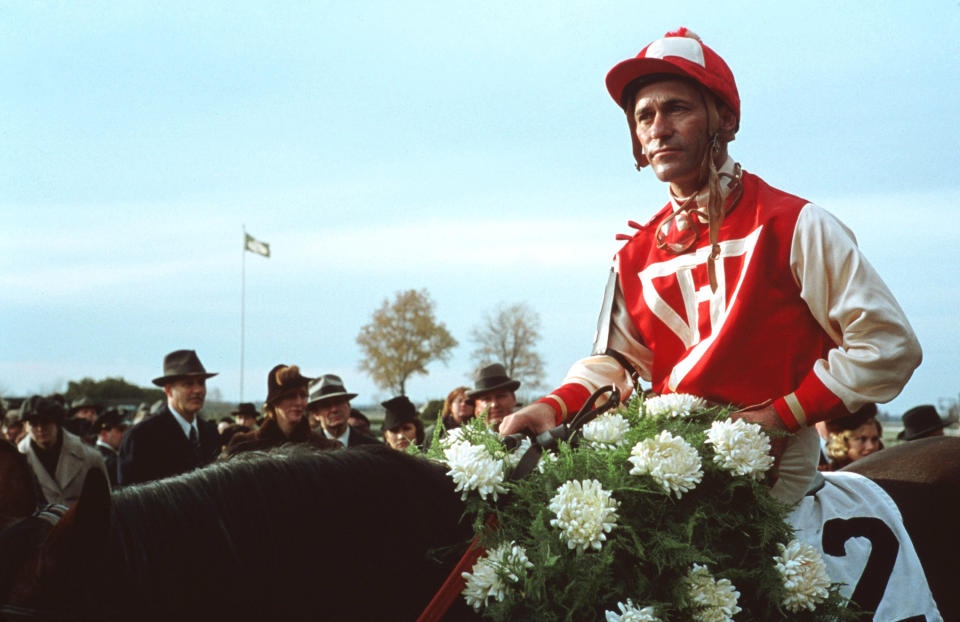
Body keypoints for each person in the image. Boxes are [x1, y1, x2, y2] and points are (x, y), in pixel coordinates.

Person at [500, 28, 922, 505]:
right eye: (645, 115)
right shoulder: (632, 254)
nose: (658, 128)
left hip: (779, 481)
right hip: (665, 469)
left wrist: (781, 415)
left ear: (724, 120)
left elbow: (888, 345)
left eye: (677, 108)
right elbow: (616, 365)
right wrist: (549, 406)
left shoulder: (797, 225)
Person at [117, 349, 221, 486]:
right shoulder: (142, 437)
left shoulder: (210, 433)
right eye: (188, 384)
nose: (198, 390)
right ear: (168, 390)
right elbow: (129, 498)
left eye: (201, 382)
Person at [226, 365, 340, 455]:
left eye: (303, 395)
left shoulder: (325, 448)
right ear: (274, 402)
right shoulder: (244, 445)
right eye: (290, 396)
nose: (299, 402)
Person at [17, 395, 109, 505]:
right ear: (25, 426)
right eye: (34, 424)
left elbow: (106, 502)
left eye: (46, 422)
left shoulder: (90, 457)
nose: (40, 429)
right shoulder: (18, 458)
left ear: (56, 422)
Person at [306, 374, 379, 447]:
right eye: (326, 405)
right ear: (316, 414)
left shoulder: (372, 447)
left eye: (338, 402)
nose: (334, 409)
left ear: (349, 406)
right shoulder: (307, 448)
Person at [822, 404, 884, 470]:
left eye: (874, 439)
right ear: (842, 442)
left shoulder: (886, 472)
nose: (871, 446)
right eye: (862, 439)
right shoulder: (825, 475)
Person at [467, 364, 520, 430]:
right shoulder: (463, 439)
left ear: (514, 398)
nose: (494, 404)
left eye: (500, 396)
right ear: (477, 408)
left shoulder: (533, 436)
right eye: (486, 399)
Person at [93, 408, 129, 487]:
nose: (125, 434)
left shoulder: (94, 453)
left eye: (126, 430)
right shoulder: (110, 461)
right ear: (104, 433)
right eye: (120, 430)